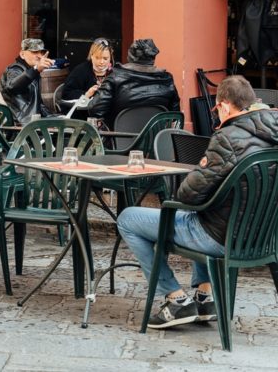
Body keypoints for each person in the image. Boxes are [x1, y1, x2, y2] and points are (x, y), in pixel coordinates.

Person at [118, 75, 278, 329]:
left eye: (217, 109)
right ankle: (205, 298)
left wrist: (199, 170)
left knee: (128, 218)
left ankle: (175, 299)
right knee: (207, 210)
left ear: (224, 106)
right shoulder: (274, 134)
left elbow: (187, 196)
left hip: (220, 238)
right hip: (263, 238)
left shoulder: (227, 138)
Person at [87, 38, 180, 128]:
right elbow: (175, 115)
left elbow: (95, 109)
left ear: (130, 56)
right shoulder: (167, 79)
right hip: (156, 140)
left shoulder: (115, 77)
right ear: (152, 58)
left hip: (121, 139)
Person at [0, 38, 54, 124]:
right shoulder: (15, 69)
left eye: (41, 52)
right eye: (34, 52)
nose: (39, 56)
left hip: (31, 124)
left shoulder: (33, 71)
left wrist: (54, 117)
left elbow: (38, 104)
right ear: (22, 54)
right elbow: (13, 87)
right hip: (16, 126)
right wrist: (35, 70)